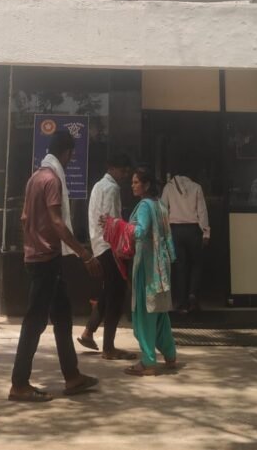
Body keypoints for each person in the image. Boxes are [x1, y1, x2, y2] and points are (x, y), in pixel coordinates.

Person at [9, 129, 101, 403]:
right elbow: (58, 222)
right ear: (68, 152)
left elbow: (24, 218)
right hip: (46, 259)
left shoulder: (35, 178)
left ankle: (72, 376)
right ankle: (19, 384)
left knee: (62, 317)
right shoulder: (51, 180)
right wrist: (84, 254)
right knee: (34, 322)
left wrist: (32, 243)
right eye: (71, 154)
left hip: (39, 257)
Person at [101, 165, 178, 376]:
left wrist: (116, 225)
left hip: (147, 267)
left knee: (143, 315)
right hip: (162, 266)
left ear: (146, 185)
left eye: (136, 182)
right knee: (160, 314)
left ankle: (148, 361)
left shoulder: (144, 206)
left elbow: (141, 231)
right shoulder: (160, 205)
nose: (133, 185)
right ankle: (170, 355)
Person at [78, 153, 137, 360]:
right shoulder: (112, 188)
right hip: (110, 246)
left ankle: (89, 331)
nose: (125, 175)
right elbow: (113, 221)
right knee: (116, 296)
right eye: (123, 171)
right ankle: (108, 347)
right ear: (112, 168)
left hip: (98, 244)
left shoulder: (97, 186)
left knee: (109, 290)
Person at [160, 171, 210, 313]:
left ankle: (181, 302)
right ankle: (192, 295)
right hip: (193, 230)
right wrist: (206, 232)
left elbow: (163, 210)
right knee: (196, 264)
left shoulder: (168, 187)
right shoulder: (196, 187)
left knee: (180, 266)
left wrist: (164, 232)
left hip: (175, 230)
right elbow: (202, 211)